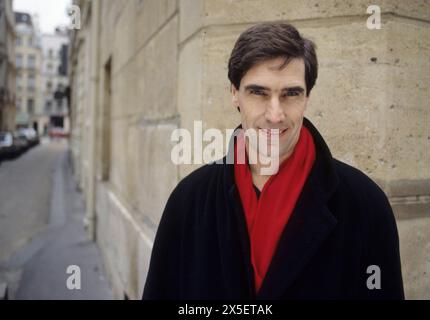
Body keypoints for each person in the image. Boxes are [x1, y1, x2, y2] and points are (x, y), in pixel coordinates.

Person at [142, 23, 404, 299]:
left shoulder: (365, 204)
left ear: (308, 97)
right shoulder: (188, 201)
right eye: (259, 92)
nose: (275, 115)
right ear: (234, 93)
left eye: (291, 94)